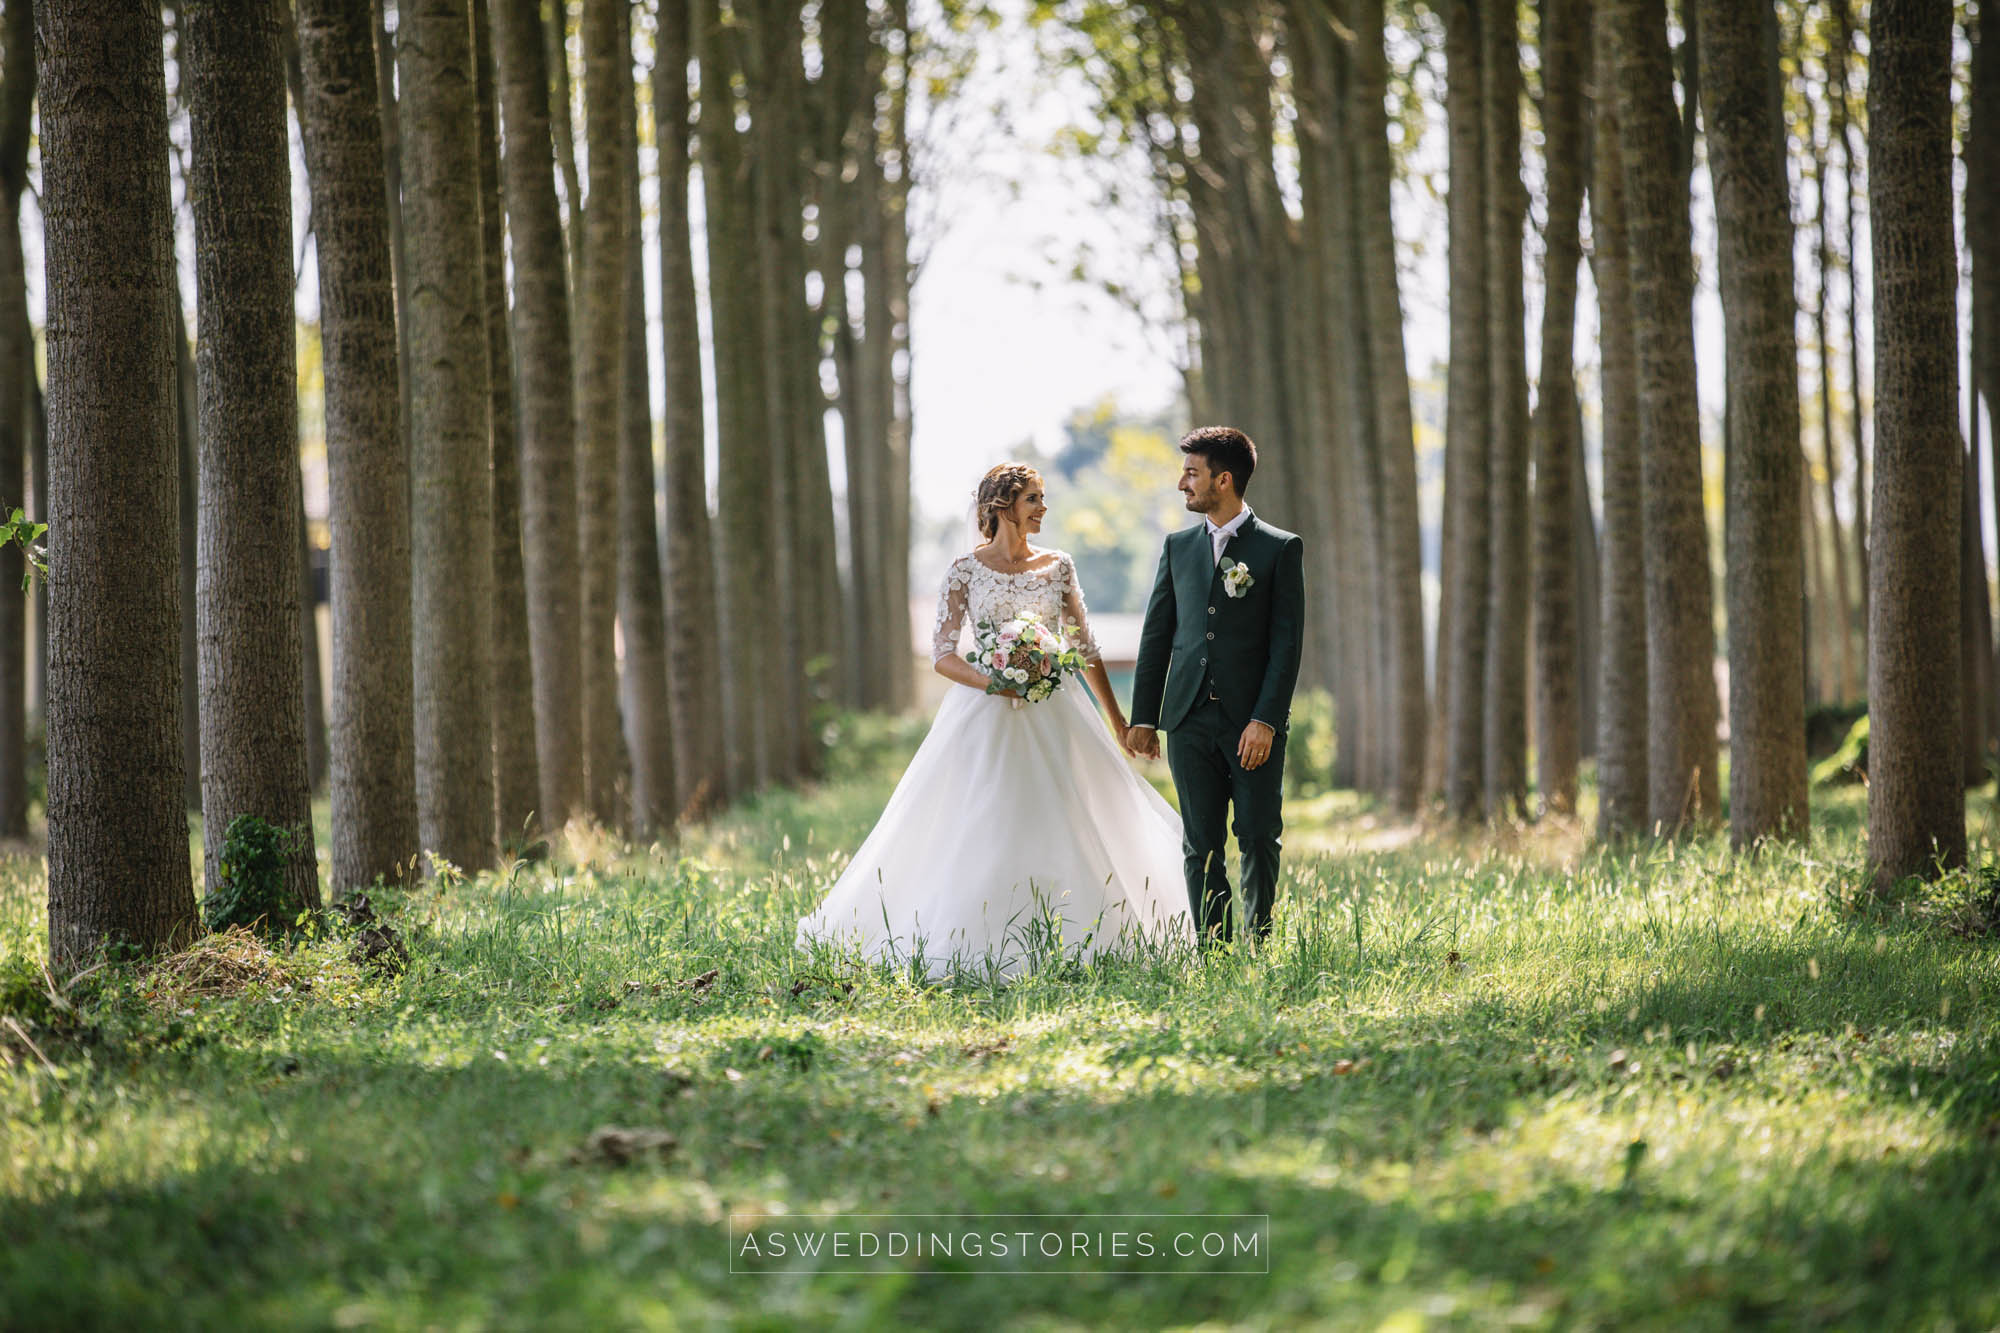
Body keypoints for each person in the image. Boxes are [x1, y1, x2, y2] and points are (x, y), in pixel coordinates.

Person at [795, 462, 1193, 979]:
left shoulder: (1059, 565)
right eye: (1033, 498)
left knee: (1066, 812)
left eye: (1042, 498)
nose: (1043, 507)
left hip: (1056, 709)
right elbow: (942, 655)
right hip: (986, 713)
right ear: (1003, 505)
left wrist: (1118, 722)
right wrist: (995, 682)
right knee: (986, 815)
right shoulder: (965, 570)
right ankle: (976, 936)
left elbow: (1085, 647)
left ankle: (1080, 933)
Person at [1126, 426, 1305, 947]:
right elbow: (1157, 636)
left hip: (1252, 722)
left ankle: (1259, 941)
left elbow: (1287, 645)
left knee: (1258, 834)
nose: (1182, 483)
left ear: (1223, 480)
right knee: (1199, 843)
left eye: (1191, 473)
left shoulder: (1279, 548)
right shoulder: (1177, 547)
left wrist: (1265, 720)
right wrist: (1144, 717)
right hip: (1187, 719)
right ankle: (1215, 950)